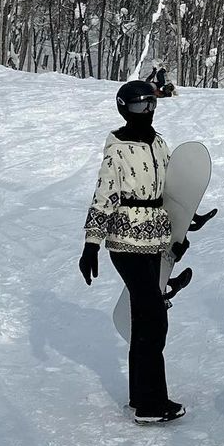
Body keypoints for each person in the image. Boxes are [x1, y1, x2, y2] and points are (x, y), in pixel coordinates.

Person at [78, 80, 184, 424]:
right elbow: (103, 194)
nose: (148, 112)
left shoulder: (159, 143)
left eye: (151, 105)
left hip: (154, 238)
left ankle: (142, 397)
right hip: (125, 241)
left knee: (145, 318)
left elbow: (172, 186)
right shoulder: (118, 149)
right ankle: (152, 403)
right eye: (140, 107)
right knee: (153, 316)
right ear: (125, 109)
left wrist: (184, 223)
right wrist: (91, 245)